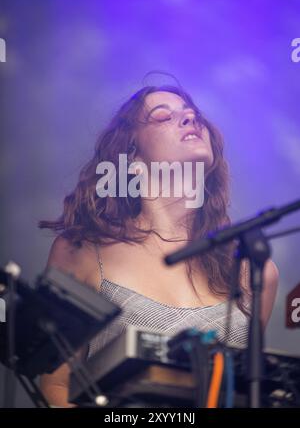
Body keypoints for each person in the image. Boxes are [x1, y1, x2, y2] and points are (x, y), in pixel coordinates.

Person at [39, 85, 279, 407]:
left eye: (192, 114)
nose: (190, 118)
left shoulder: (253, 268)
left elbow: (250, 391)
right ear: (132, 155)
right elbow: (55, 385)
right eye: (164, 116)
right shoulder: (82, 251)